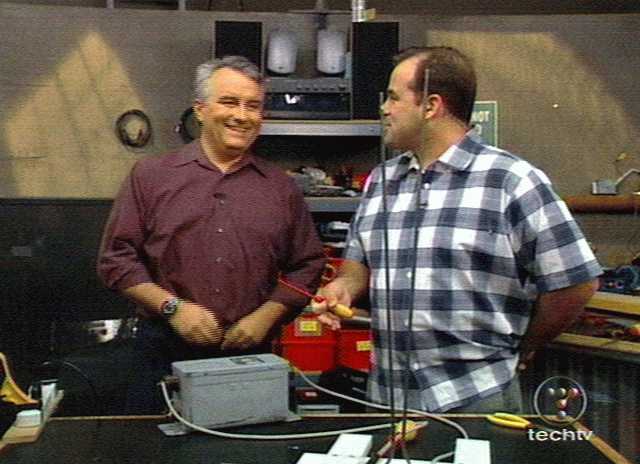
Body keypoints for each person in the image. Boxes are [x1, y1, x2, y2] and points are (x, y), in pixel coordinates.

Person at [314, 46, 601, 413]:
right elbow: (357, 269)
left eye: (394, 97)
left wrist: (525, 344)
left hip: (477, 397)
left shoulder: (511, 181)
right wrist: (342, 288)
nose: (384, 109)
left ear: (431, 106)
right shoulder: (381, 181)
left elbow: (576, 282)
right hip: (387, 398)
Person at [97, 56, 326, 414]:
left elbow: (308, 263)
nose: (242, 115)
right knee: (155, 447)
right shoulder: (151, 176)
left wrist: (267, 315)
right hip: (163, 353)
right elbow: (116, 259)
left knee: (256, 445)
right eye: (229, 102)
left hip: (251, 355)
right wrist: (173, 308)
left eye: (253, 106)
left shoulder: (281, 188)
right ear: (200, 110)